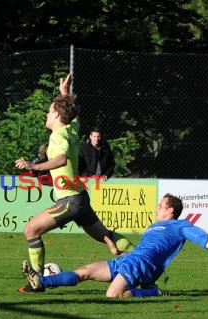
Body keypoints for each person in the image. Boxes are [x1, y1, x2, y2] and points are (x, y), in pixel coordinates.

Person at [14, 74, 132, 293]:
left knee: (31, 230)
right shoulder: (70, 129)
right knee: (107, 236)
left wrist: (33, 167)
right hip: (80, 197)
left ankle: (37, 281)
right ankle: (144, 261)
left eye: (49, 111)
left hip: (71, 200)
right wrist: (64, 94)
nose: (46, 114)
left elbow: (60, 159)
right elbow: (70, 115)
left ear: (57, 114)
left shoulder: (58, 136)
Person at [22, 193, 208, 297]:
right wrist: (113, 245)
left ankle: (151, 292)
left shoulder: (180, 226)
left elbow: (203, 239)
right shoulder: (153, 226)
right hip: (130, 260)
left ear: (171, 210)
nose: (156, 209)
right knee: (85, 272)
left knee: (113, 295)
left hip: (140, 264)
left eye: (161, 206)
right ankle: (41, 281)